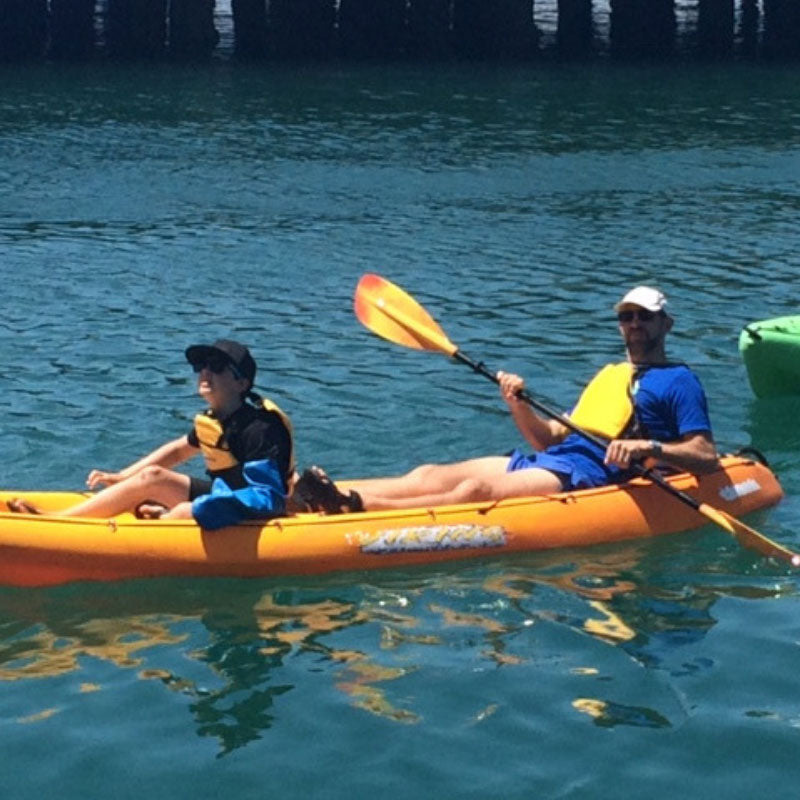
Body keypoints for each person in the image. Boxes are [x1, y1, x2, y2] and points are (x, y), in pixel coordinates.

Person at [292, 286, 718, 514]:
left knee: (474, 490)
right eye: (627, 316)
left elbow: (705, 454)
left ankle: (355, 506)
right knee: (428, 474)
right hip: (554, 459)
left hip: (590, 473)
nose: (635, 324)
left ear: (666, 324)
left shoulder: (678, 380)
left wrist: (648, 447)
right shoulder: (610, 375)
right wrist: (517, 403)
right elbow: (546, 439)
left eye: (645, 316)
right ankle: (309, 494)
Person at [8, 339, 295, 525]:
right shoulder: (216, 420)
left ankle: (57, 523)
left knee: (181, 508)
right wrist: (123, 477)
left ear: (242, 384)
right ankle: (62, 519)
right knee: (151, 477)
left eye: (217, 366)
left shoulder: (260, 429)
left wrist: (198, 509)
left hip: (249, 511)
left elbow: (267, 500)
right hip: (223, 497)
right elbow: (177, 451)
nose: (205, 373)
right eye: (201, 366)